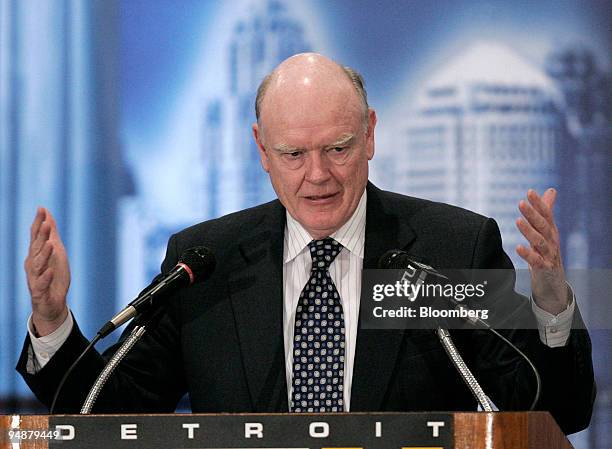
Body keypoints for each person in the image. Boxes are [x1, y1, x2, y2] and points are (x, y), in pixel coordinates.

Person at [18, 53, 594, 433]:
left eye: (338, 148)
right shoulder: (205, 263)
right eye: (294, 154)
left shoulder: (445, 251)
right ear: (261, 149)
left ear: (370, 133)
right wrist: (52, 320)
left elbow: (554, 410)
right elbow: (102, 415)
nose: (317, 175)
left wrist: (550, 308)